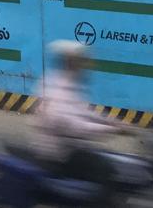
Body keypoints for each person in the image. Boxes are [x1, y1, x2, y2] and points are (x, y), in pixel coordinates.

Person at [32, 40, 130, 206]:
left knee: (110, 161)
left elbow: (84, 111)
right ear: (71, 62)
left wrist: (115, 123)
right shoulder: (57, 89)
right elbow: (75, 126)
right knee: (107, 171)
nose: (85, 65)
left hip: (70, 148)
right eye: (81, 60)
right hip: (58, 154)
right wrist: (110, 130)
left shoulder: (68, 83)